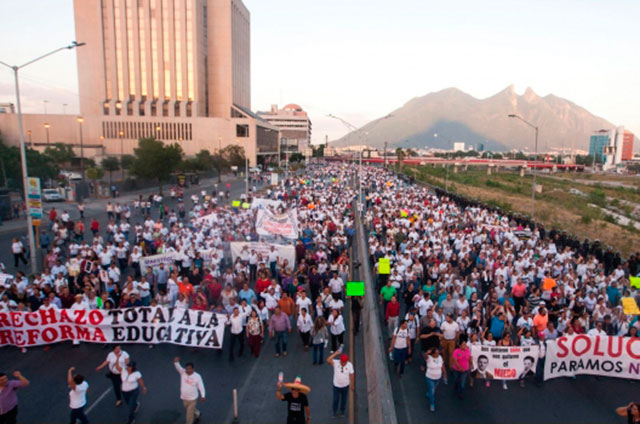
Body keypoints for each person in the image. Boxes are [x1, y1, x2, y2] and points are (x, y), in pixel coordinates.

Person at [113, 357, 147, 424]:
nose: (128, 367)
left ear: (133, 368)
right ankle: (136, 404)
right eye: (128, 366)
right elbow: (117, 367)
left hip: (133, 391)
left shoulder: (137, 373)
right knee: (128, 403)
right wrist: (117, 358)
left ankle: (131, 420)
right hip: (124, 391)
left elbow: (140, 381)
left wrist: (144, 388)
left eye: (130, 366)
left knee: (131, 407)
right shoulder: (123, 371)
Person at [173, 357, 206, 424]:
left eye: (189, 369)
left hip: (193, 399)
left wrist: (203, 395)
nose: (187, 370)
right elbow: (178, 367)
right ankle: (197, 413)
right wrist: (176, 362)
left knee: (189, 415)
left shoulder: (197, 376)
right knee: (188, 408)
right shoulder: (183, 372)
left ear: (193, 369)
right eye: (186, 369)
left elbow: (201, 386)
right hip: (184, 398)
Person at [327, 351, 354, 418]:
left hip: (345, 386)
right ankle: (334, 411)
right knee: (336, 399)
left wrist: (352, 385)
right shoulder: (336, 363)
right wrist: (335, 353)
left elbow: (352, 375)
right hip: (336, 386)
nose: (343, 364)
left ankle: (342, 411)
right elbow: (328, 360)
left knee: (344, 400)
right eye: (342, 362)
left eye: (344, 362)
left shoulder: (350, 365)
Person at [425, 348, 446, 412]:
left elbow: (442, 365)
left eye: (438, 352)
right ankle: (432, 404)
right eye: (436, 353)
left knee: (434, 388)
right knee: (432, 390)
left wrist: (445, 373)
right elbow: (425, 356)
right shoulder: (429, 358)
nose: (437, 354)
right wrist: (427, 353)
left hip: (438, 377)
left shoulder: (440, 357)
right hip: (430, 377)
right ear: (433, 354)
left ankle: (429, 393)